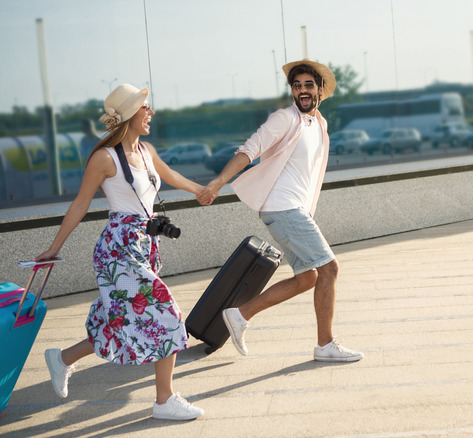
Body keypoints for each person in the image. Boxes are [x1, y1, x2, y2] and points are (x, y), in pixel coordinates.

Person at [35, 84, 207, 421]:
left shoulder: (145, 151)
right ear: (129, 115)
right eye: (145, 107)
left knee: (117, 320)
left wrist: (200, 189)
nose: (151, 113)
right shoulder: (105, 157)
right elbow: (81, 203)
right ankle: (164, 400)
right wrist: (54, 248)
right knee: (166, 314)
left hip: (144, 243)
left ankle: (62, 358)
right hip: (119, 249)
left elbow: (168, 174)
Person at [196, 59, 363, 363]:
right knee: (330, 269)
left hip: (293, 209)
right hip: (282, 207)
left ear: (320, 91)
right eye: (296, 85)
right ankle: (325, 345)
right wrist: (219, 181)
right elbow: (249, 149)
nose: (301, 90)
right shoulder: (284, 119)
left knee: (308, 277)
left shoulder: (318, 124)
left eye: (308, 85)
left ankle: (240, 314)